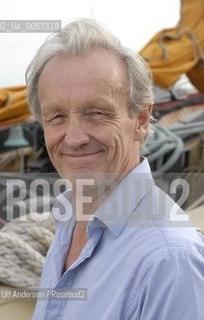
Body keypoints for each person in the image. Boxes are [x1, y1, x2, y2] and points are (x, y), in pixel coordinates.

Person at [26, 19, 204, 320]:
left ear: (141, 120)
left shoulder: (169, 261)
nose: (75, 138)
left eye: (96, 113)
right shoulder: (67, 226)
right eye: (56, 116)